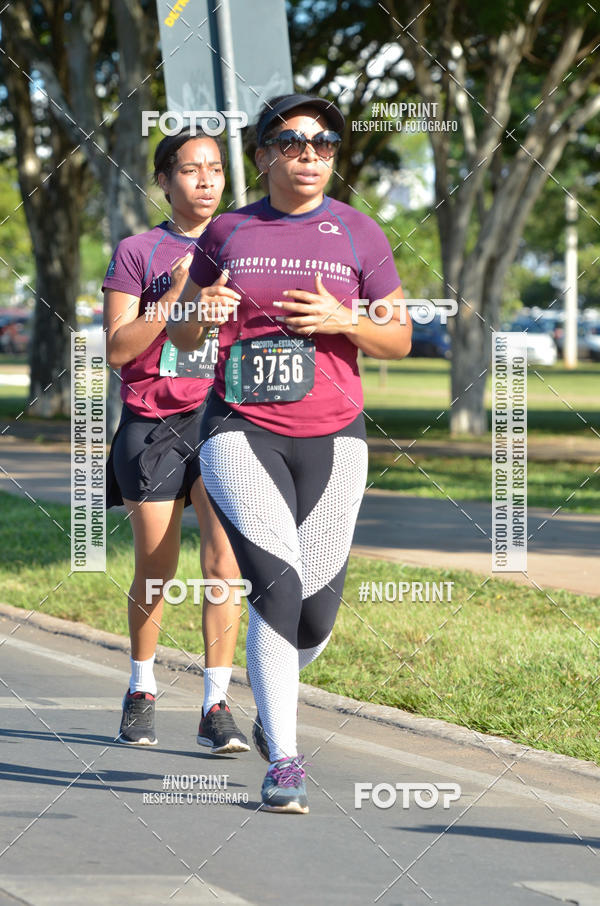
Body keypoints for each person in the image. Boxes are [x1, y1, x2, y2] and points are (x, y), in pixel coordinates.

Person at [167, 94, 411, 812]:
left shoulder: (360, 234)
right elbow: (182, 334)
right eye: (293, 141)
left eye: (325, 143)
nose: (310, 154)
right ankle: (288, 760)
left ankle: (272, 707)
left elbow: (396, 337)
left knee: (315, 616)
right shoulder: (229, 232)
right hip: (239, 427)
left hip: (335, 436)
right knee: (276, 586)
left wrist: (345, 319)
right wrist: (195, 312)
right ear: (265, 154)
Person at [102, 129, 250, 754]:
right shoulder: (140, 250)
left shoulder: (248, 245)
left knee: (224, 564)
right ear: (164, 181)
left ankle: (216, 703)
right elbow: (117, 349)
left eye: (215, 168)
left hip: (227, 419)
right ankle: (141, 687)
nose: (207, 180)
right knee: (157, 568)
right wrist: (174, 298)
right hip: (154, 419)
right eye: (191, 170)